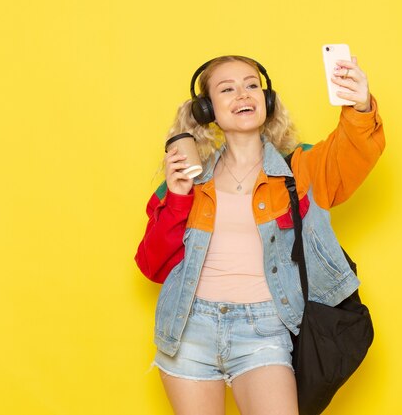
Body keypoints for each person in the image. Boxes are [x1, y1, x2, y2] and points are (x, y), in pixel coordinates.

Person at [135, 55, 385, 415]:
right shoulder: (188, 182)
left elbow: (348, 154)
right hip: (189, 329)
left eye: (252, 85)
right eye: (227, 89)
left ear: (267, 101)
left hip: (264, 329)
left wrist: (360, 108)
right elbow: (152, 266)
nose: (243, 94)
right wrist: (177, 197)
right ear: (207, 109)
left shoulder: (298, 170)